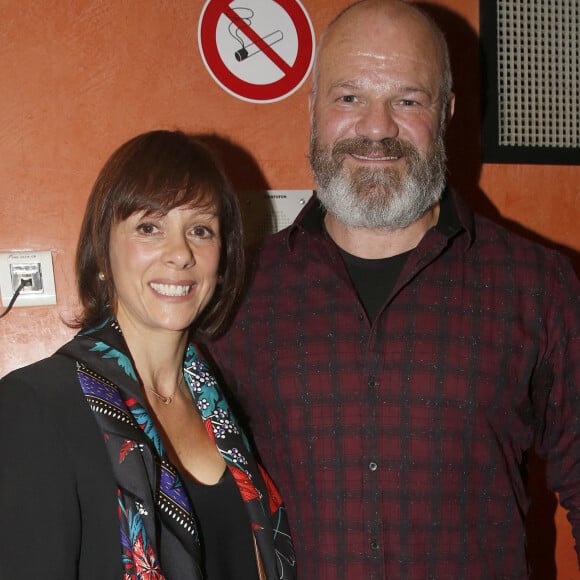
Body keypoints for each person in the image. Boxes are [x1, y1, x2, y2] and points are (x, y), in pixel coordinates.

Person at [207, 1, 580, 578]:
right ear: (313, 110)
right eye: (349, 97)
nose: (376, 127)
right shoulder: (237, 293)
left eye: (407, 100)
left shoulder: (540, 287)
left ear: (448, 112)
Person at [0, 130, 295, 580]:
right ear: (103, 251)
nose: (180, 254)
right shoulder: (35, 406)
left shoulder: (225, 406)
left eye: (200, 230)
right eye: (149, 227)